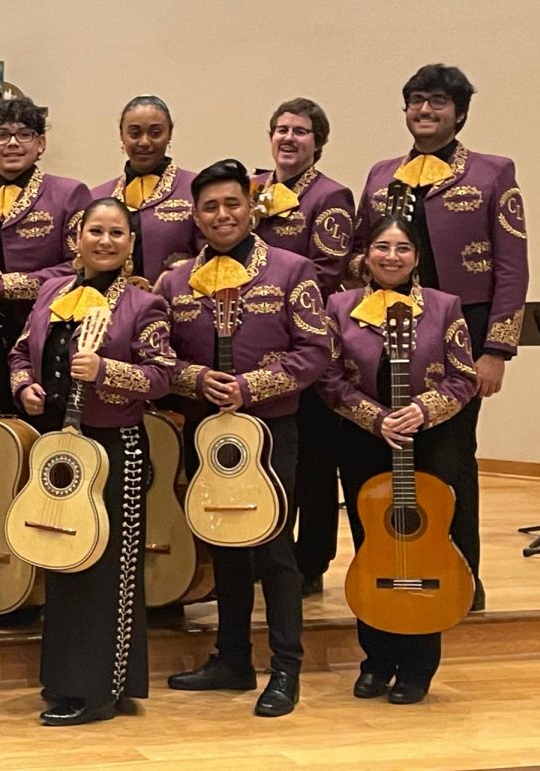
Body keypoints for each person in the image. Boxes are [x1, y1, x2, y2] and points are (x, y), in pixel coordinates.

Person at [351, 64, 528, 611]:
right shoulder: (382, 175)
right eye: (415, 101)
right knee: (381, 453)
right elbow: (356, 253)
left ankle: (462, 576)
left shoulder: (493, 172)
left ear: (459, 112)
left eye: (436, 102)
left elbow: (512, 268)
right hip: (381, 328)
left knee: (450, 458)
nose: (424, 111)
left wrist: (495, 350)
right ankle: (385, 570)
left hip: (461, 331)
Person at [159, 160, 330, 717]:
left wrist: (250, 387)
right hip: (206, 430)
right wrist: (194, 379)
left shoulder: (292, 270)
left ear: (251, 208)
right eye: (209, 207)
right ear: (196, 216)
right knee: (223, 542)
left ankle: (286, 668)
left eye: (232, 204)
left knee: (274, 550)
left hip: (270, 429)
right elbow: (161, 358)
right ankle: (232, 658)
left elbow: (313, 353)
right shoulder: (176, 281)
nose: (222, 215)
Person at [8, 197, 175, 725]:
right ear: (76, 238)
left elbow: (162, 377)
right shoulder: (53, 294)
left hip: (115, 449)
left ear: (130, 244)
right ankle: (66, 679)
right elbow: (17, 352)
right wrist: (25, 386)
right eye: (95, 231)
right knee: (64, 562)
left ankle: (100, 689)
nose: (105, 241)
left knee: (108, 571)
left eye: (117, 234)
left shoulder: (143, 305)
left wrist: (105, 370)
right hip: (60, 445)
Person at [321, 215, 478, 704]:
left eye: (403, 248)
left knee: (424, 544)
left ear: (417, 256)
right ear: (366, 254)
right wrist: (374, 418)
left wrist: (420, 411)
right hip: (366, 441)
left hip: (428, 442)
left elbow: (463, 378)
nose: (392, 256)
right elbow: (329, 379)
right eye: (382, 247)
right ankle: (376, 659)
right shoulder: (340, 307)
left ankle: (419, 664)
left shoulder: (445, 306)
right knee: (376, 546)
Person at [251, 98, 355, 596]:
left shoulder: (331, 196)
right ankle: (267, 554)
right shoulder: (254, 192)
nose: (288, 138)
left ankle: (311, 560)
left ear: (318, 142)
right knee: (269, 455)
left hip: (308, 342)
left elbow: (326, 272)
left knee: (314, 457)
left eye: (300, 131)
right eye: (280, 130)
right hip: (257, 342)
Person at [0, 96, 90, 416]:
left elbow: (78, 268)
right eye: (2, 135)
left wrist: (8, 285)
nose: (12, 143)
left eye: (24, 134)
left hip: (46, 336)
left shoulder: (70, 194)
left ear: (40, 143)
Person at [91, 95, 198, 283]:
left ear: (170, 134)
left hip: (179, 303)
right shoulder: (96, 197)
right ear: (121, 135)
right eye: (134, 133)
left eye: (155, 133)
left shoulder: (196, 189)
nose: (144, 142)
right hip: (109, 308)